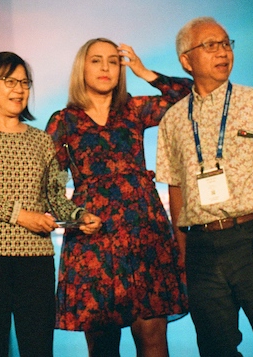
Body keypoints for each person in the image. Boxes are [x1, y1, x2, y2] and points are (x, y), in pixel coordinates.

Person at [156, 16, 253, 357]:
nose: (223, 51)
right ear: (186, 61)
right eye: (210, 45)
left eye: (226, 43)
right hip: (201, 248)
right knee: (215, 348)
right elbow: (175, 187)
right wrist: (182, 249)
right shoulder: (174, 119)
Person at [0, 52, 101, 357]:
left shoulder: (41, 140)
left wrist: (78, 215)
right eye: (10, 81)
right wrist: (22, 216)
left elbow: (54, 195)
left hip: (35, 258)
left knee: (39, 347)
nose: (19, 89)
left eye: (24, 82)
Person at [46, 38, 191, 357]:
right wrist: (76, 217)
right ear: (81, 68)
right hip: (93, 241)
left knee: (153, 341)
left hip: (144, 234)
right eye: (96, 60)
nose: (105, 67)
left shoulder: (135, 109)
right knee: (103, 348)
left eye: (113, 61)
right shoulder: (63, 120)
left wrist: (144, 71)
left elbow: (190, 95)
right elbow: (51, 187)